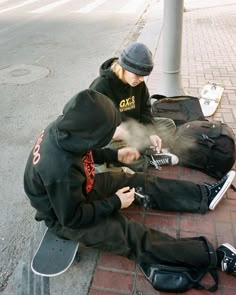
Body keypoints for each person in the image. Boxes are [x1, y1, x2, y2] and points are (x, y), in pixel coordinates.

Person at [24, 89, 236, 290]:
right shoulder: (59, 170)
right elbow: (73, 218)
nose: (111, 136)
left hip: (80, 189)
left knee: (135, 180)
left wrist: (114, 156)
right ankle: (214, 257)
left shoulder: (64, 128)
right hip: (65, 216)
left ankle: (203, 196)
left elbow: (84, 150)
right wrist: (115, 202)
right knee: (133, 236)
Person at [89, 42, 178, 170]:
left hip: (137, 130)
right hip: (115, 138)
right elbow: (91, 124)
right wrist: (110, 130)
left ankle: (142, 154)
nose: (141, 80)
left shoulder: (139, 84)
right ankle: (149, 160)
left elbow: (146, 110)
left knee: (168, 124)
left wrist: (151, 132)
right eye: (137, 75)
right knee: (112, 152)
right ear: (123, 67)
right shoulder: (101, 87)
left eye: (144, 76)